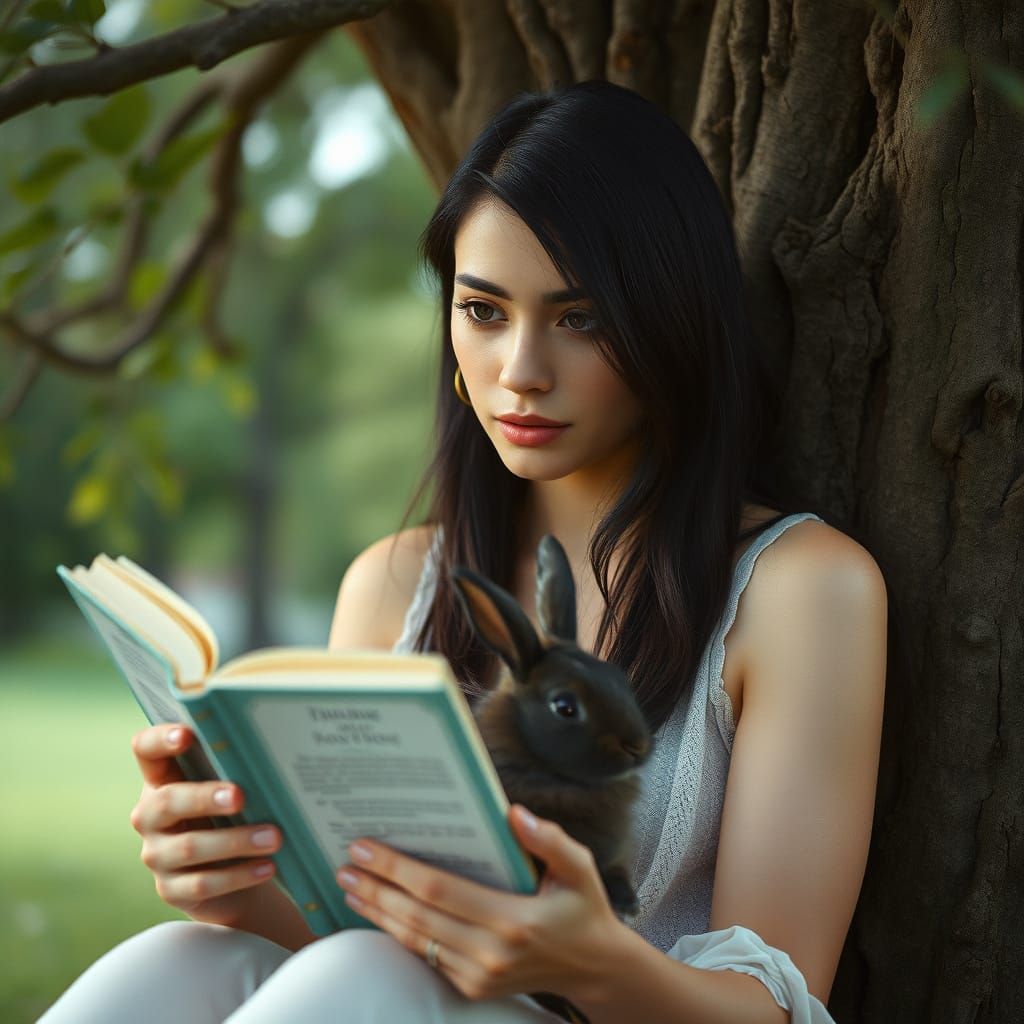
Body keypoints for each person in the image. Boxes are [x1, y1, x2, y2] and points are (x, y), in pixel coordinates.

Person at [39, 79, 888, 1023]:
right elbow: (343, 935)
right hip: (379, 994)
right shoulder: (396, 583)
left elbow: (778, 1004)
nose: (520, 371)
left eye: (581, 319)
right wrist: (232, 884)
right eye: (484, 311)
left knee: (366, 976)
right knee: (181, 958)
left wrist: (594, 961)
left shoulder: (800, 589)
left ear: (670, 324)